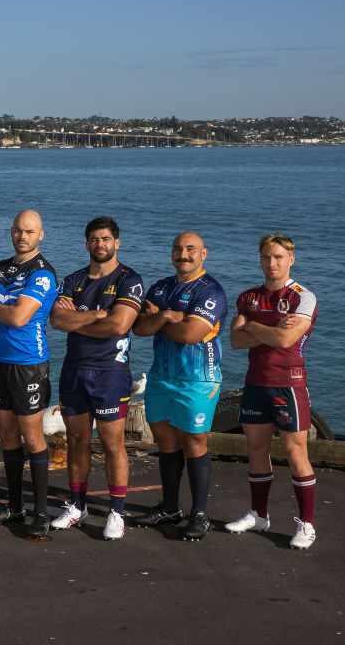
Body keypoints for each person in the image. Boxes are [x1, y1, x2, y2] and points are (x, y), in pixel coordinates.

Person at [49, 216, 143, 540]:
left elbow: (119, 326)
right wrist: (99, 314)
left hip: (110, 374)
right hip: (74, 371)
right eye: (94, 239)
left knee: (112, 444)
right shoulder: (73, 279)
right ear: (86, 243)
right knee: (76, 441)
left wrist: (78, 320)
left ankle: (117, 512)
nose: (100, 244)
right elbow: (57, 320)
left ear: (117, 242)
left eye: (106, 239)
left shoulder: (130, 280)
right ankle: (77, 505)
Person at [132, 232, 227, 541]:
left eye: (190, 249)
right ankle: (170, 507)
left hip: (197, 380)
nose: (183, 254)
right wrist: (170, 316)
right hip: (160, 377)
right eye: (178, 249)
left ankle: (199, 514)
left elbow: (190, 334)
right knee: (166, 443)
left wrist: (163, 318)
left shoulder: (211, 291)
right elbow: (140, 328)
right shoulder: (161, 287)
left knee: (195, 442)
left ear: (204, 254)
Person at [227, 234, 318, 550]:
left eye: (278, 257)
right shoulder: (248, 297)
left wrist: (252, 326)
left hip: (288, 384)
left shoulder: (302, 297)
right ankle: (259, 514)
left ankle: (306, 525)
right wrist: (268, 328)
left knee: (295, 453)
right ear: (260, 258)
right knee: (255, 450)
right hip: (255, 383)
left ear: (291, 259)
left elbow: (286, 341)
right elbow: (236, 341)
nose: (272, 262)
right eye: (266, 257)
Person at [0, 210, 58, 539]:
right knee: (7, 434)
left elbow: (21, 318)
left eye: (29, 231)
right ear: (11, 232)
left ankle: (40, 512)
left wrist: (1, 308)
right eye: (18, 230)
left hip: (30, 363)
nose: (22, 236)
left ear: (41, 234)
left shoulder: (43, 273)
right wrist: (4, 310)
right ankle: (14, 506)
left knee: (32, 436)